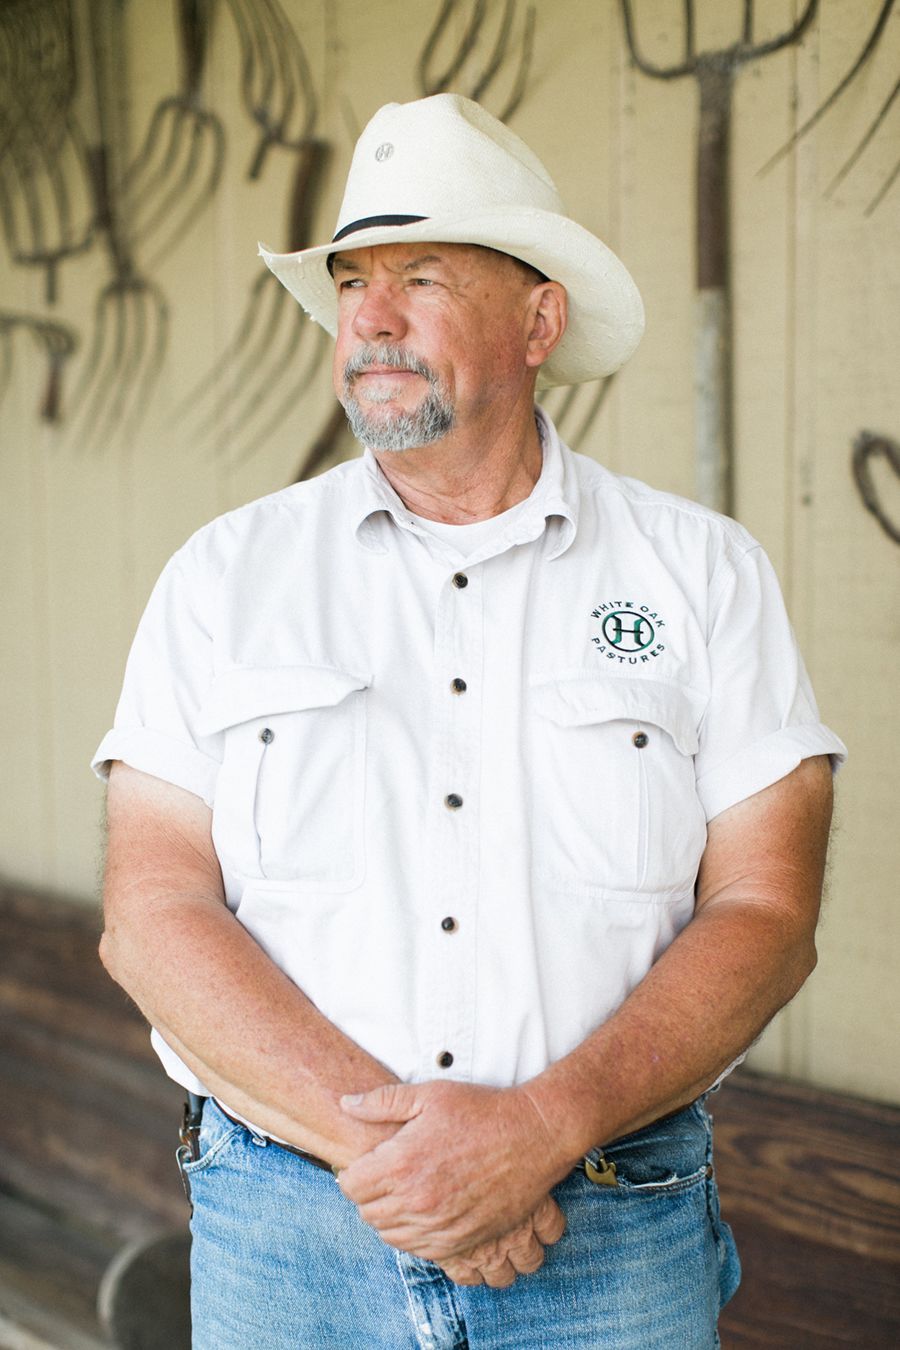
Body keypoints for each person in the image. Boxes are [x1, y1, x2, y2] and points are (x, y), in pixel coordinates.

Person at [94, 94, 845, 1348]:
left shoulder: (702, 576)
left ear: (537, 316)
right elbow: (151, 914)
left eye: (424, 277)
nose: (372, 320)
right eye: (352, 284)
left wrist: (541, 1129)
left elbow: (768, 913)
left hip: (610, 1229)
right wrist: (421, 1171)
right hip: (292, 1241)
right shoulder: (225, 578)